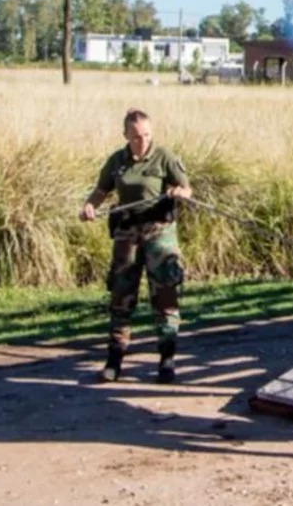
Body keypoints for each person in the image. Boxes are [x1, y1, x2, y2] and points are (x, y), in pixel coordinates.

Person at [79, 109, 193, 384]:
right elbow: (101, 190)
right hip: (126, 235)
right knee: (121, 295)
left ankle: (167, 360)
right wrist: (90, 206)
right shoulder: (117, 161)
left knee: (165, 297)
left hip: (159, 234)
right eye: (135, 137)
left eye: (146, 135)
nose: (141, 141)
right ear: (126, 136)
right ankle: (114, 359)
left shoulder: (165, 157)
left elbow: (187, 189)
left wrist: (179, 193)